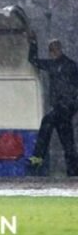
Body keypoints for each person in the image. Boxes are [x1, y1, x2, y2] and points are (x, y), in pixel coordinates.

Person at [27, 34, 78, 175]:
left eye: (54, 50)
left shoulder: (70, 66)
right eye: (52, 50)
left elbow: (74, 87)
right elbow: (33, 60)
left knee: (47, 122)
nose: (53, 53)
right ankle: (73, 171)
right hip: (61, 108)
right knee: (67, 140)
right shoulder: (55, 65)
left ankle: (38, 157)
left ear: (59, 49)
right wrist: (33, 44)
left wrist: (71, 104)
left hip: (65, 106)